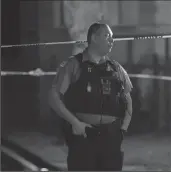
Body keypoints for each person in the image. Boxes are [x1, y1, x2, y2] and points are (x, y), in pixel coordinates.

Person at [48, 22, 133, 171]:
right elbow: (54, 97)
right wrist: (74, 123)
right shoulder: (74, 65)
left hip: (111, 139)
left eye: (112, 37)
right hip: (84, 137)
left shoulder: (116, 68)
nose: (111, 41)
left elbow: (128, 100)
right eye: (107, 36)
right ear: (94, 38)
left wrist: (122, 130)